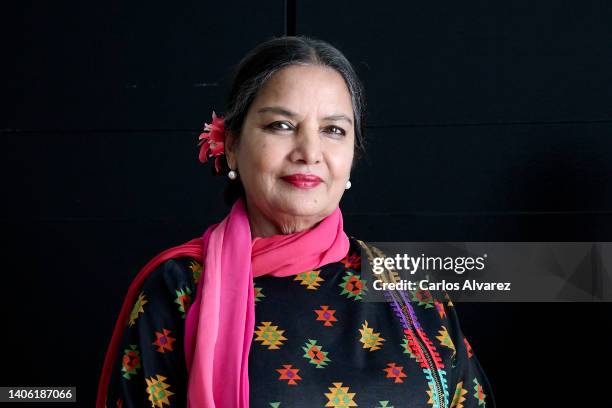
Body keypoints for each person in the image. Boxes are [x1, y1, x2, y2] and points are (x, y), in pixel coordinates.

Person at [97, 35, 495, 408]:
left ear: (353, 155)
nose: (309, 151)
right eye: (282, 125)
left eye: (333, 130)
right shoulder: (181, 286)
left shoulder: (411, 289)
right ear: (232, 146)